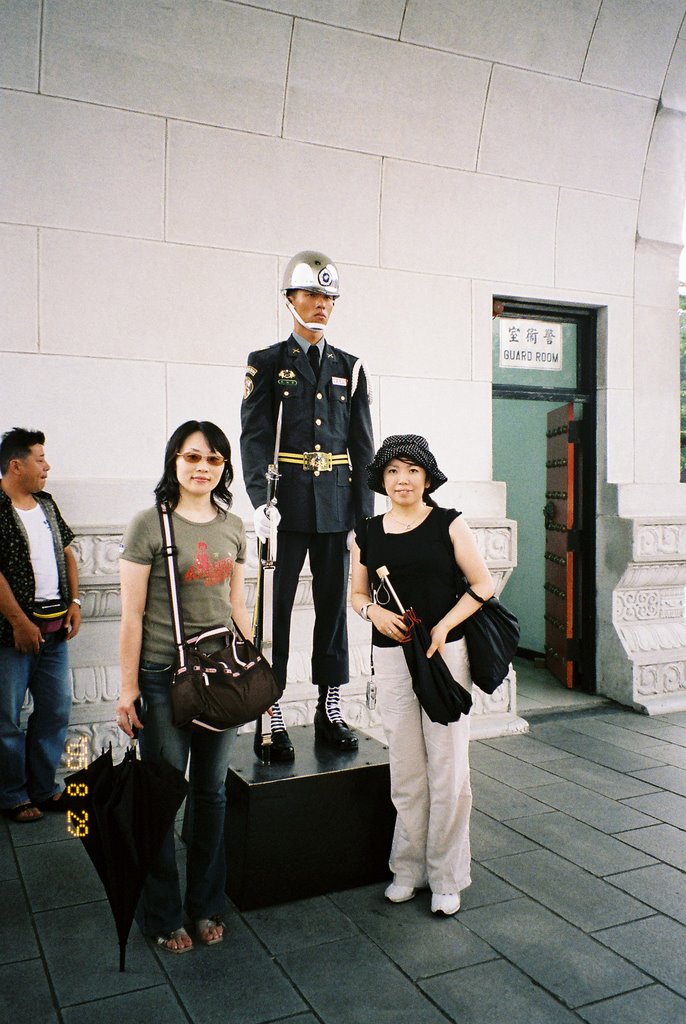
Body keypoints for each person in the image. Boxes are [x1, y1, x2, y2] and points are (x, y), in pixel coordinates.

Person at [116, 420, 251, 953]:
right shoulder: (149, 524)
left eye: (214, 459)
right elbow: (130, 615)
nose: (202, 467)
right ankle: (164, 912)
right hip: (161, 675)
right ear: (174, 460)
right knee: (165, 793)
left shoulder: (235, 526)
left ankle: (206, 903)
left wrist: (253, 666)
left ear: (224, 468)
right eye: (193, 456)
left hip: (221, 677)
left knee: (212, 792)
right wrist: (127, 689)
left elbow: (237, 605)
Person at [351, 435, 494, 916]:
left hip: (445, 655)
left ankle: (447, 876)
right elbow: (355, 595)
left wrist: (444, 626)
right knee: (407, 769)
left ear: (427, 477)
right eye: (392, 471)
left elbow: (483, 584)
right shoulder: (366, 532)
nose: (402, 479)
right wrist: (373, 611)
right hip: (392, 658)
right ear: (382, 480)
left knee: (448, 767)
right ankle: (407, 869)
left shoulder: (450, 524)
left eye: (412, 470)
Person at [240, 250, 375, 761]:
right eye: (313, 295)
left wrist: (363, 518)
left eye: (329, 297)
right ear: (290, 299)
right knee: (274, 613)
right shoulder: (268, 363)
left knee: (333, 612)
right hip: (285, 507)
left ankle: (330, 707)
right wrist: (259, 500)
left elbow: (363, 448)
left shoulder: (351, 368)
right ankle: (270, 712)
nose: (322, 305)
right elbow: (254, 437)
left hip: (336, 508)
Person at [0, 428, 81, 823]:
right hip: (10, 636)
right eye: (39, 459)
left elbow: (67, 551)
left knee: (55, 710)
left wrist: (76, 602)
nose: (46, 466)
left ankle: (44, 788)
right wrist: (18, 621)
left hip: (55, 632)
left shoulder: (47, 505)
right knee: (6, 718)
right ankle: (13, 794)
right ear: (16, 465)